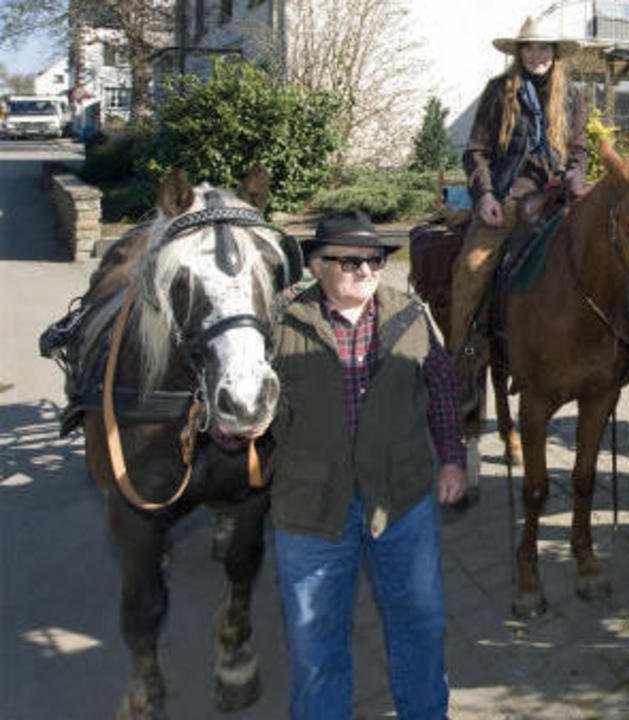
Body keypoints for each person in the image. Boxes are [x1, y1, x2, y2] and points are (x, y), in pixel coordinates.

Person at [269, 210, 467, 720]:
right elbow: (246, 403)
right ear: (316, 266)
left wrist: (452, 460)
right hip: (311, 507)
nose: (366, 270)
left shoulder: (410, 316)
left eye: (376, 260)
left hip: (401, 499)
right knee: (315, 637)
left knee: (421, 622)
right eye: (351, 261)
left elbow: (444, 390)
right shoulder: (278, 324)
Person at [452, 15, 589, 412]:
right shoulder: (499, 93)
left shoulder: (574, 97)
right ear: (518, 53)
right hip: (508, 199)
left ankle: (622, 353)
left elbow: (578, 150)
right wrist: (486, 196)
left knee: (607, 252)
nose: (537, 55)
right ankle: (460, 364)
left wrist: (575, 175)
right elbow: (475, 152)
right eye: (530, 48)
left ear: (556, 53)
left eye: (544, 47)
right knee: (470, 269)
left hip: (559, 198)